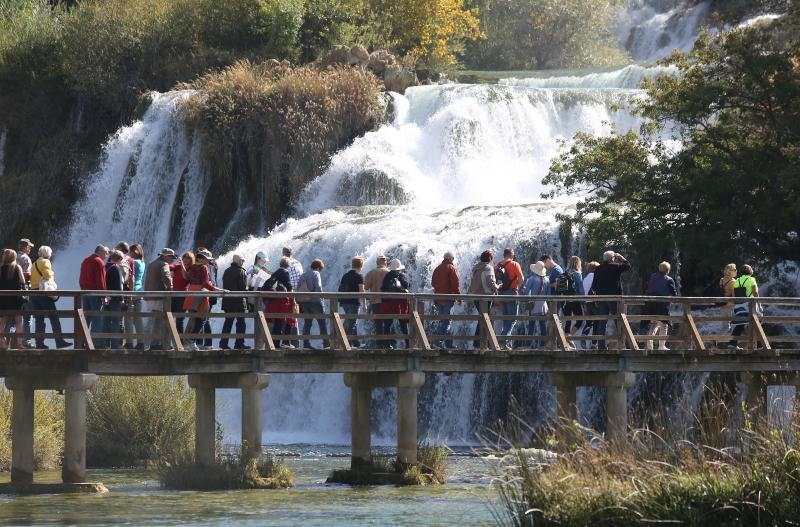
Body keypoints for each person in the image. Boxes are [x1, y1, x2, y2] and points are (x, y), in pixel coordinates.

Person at [29, 245, 70, 349]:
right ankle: (59, 341)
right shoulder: (45, 261)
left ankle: (39, 343)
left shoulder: (34, 264)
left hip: (33, 293)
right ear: (48, 254)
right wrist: (51, 273)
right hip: (43, 293)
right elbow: (47, 275)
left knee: (39, 319)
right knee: (54, 317)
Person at [183, 249, 224, 350]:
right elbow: (206, 283)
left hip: (191, 292)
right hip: (201, 292)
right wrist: (217, 289)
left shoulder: (192, 267)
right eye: (207, 259)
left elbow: (187, 277)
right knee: (203, 318)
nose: (208, 261)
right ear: (204, 259)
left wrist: (182, 267)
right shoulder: (204, 268)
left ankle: (191, 342)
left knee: (195, 318)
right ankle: (191, 340)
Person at [591, 250, 631, 350]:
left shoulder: (598, 269)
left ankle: (601, 345)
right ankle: (622, 344)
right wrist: (621, 258)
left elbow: (594, 286)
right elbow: (627, 265)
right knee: (619, 321)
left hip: (602, 298)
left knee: (602, 323)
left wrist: (596, 298)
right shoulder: (615, 266)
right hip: (614, 298)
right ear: (612, 258)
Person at [143, 248, 176, 350]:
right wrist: (170, 287)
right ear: (165, 256)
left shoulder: (152, 264)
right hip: (158, 296)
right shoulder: (164, 264)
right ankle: (155, 343)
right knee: (159, 320)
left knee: (153, 319)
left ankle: (147, 342)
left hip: (150, 296)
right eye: (171, 257)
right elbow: (167, 277)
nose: (172, 260)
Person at [468, 249, 500, 349]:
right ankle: (481, 343)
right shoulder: (488, 268)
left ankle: (482, 343)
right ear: (490, 258)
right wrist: (498, 286)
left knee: (483, 318)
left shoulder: (475, 268)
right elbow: (490, 282)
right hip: (485, 297)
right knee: (486, 318)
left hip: (475, 296)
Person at [642, 261, 677, 351]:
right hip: (661, 305)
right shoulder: (669, 279)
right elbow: (674, 294)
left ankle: (649, 346)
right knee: (664, 325)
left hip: (650, 304)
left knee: (654, 324)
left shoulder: (652, 277)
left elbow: (646, 288)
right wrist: (672, 300)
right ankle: (661, 346)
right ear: (668, 270)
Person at [263, 257, 295, 348]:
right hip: (281, 302)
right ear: (288, 265)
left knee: (278, 322)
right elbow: (289, 287)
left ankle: (275, 343)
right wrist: (294, 298)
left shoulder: (276, 272)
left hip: (273, 301)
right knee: (289, 319)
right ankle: (286, 342)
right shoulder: (285, 272)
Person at [495, 248, 524, 350]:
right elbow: (521, 279)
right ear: (511, 255)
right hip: (512, 293)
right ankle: (503, 341)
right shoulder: (515, 264)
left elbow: (496, 282)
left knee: (506, 318)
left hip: (501, 294)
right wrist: (520, 292)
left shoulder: (497, 265)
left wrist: (497, 296)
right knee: (512, 319)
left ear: (504, 255)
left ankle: (507, 344)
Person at [296, 259, 328, 350]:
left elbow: (298, 288)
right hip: (315, 302)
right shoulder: (316, 273)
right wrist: (322, 296)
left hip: (304, 303)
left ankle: (306, 344)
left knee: (307, 323)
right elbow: (318, 286)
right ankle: (326, 344)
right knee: (322, 323)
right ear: (318, 268)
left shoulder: (303, 275)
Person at [431, 251, 460, 349]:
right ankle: (437, 341)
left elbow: (433, 283)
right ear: (451, 259)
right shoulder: (451, 268)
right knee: (447, 321)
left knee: (443, 321)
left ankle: (449, 344)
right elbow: (455, 285)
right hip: (448, 299)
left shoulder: (437, 268)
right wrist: (458, 298)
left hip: (438, 299)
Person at [379, 258, 410, 349]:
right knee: (403, 324)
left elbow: (383, 288)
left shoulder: (387, 276)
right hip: (400, 303)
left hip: (388, 303)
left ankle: (387, 344)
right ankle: (408, 344)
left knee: (388, 323)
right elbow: (406, 285)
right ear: (399, 268)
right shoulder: (401, 275)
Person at [220, 254, 249, 350]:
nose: (243, 262)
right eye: (242, 260)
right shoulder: (241, 271)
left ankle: (223, 344)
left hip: (227, 302)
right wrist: (249, 289)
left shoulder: (226, 271)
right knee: (241, 324)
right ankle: (239, 344)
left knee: (228, 322)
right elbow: (243, 288)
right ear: (237, 261)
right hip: (238, 302)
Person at [0, 249, 27, 350]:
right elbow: (23, 281)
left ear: (5, 257)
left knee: (2, 322)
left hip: (3, 299)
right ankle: (19, 343)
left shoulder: (1, 268)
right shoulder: (17, 267)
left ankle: (2, 343)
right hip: (15, 299)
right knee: (19, 321)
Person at [79, 244, 109, 332]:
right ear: (100, 252)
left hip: (85, 292)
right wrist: (104, 296)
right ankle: (96, 342)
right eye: (106, 253)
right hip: (95, 293)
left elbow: (81, 277)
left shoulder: (86, 260)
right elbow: (101, 280)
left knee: (86, 317)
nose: (106, 256)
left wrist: (82, 288)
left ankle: (82, 340)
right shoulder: (98, 261)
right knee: (97, 318)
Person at [729, 264, 759, 350]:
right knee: (757, 321)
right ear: (750, 271)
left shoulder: (737, 280)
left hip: (739, 306)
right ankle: (756, 345)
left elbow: (734, 295)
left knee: (740, 324)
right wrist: (759, 304)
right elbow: (755, 293)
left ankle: (732, 343)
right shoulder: (751, 279)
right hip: (749, 306)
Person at [558, 256, 586, 349]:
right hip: (575, 299)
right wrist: (583, 303)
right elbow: (580, 289)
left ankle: (566, 340)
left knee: (567, 320)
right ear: (578, 263)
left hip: (565, 300)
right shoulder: (577, 274)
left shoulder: (564, 273)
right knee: (580, 319)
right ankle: (568, 337)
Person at [99, 251, 125, 349]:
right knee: (115, 321)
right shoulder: (115, 267)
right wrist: (121, 299)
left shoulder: (105, 266)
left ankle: (105, 343)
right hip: (114, 298)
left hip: (106, 297)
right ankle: (115, 344)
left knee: (106, 320)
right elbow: (118, 285)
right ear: (119, 259)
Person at [339, 256, 367, 348]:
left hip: (344, 302)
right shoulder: (359, 276)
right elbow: (362, 291)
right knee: (353, 323)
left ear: (352, 265)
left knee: (350, 321)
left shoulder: (345, 275)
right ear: (361, 265)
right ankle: (348, 343)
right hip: (354, 303)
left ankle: (356, 343)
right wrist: (364, 304)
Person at [522, 261, 550, 348]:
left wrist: (522, 289)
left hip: (533, 304)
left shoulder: (532, 279)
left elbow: (526, 292)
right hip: (543, 305)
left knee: (531, 325)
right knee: (543, 325)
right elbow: (549, 295)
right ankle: (543, 345)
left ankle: (528, 344)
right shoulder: (547, 279)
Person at [364, 255, 390, 343]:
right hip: (387, 302)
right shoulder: (389, 272)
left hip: (375, 302)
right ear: (385, 262)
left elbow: (366, 287)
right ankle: (388, 343)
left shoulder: (371, 272)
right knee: (388, 323)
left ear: (377, 262)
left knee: (378, 323)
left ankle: (379, 344)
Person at [127, 244, 146, 350]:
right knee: (137, 318)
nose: (129, 253)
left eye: (130, 251)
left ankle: (129, 342)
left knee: (128, 317)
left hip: (132, 290)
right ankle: (141, 342)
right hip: (139, 291)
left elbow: (130, 277)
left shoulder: (134, 262)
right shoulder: (142, 262)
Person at [17, 238, 34, 347]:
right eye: (29, 247)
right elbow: (27, 275)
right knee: (28, 315)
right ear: (25, 247)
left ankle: (8, 341)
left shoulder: (14, 256)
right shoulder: (25, 259)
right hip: (25, 289)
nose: (30, 249)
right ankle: (26, 341)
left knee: (14, 316)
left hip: (13, 290)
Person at [171, 251, 193, 333]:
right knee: (170, 318)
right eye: (185, 257)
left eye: (188, 258)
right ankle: (168, 342)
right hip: (172, 295)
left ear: (192, 260)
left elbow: (186, 277)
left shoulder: (191, 269)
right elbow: (170, 266)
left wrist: (182, 265)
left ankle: (180, 342)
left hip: (182, 297)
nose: (186, 259)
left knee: (179, 320)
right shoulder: (177, 267)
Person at [581, 261, 600, 342]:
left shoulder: (586, 278)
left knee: (589, 322)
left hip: (586, 303)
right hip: (594, 303)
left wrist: (583, 304)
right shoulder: (596, 277)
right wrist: (596, 301)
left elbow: (583, 291)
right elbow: (595, 290)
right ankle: (594, 343)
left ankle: (583, 335)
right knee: (596, 323)